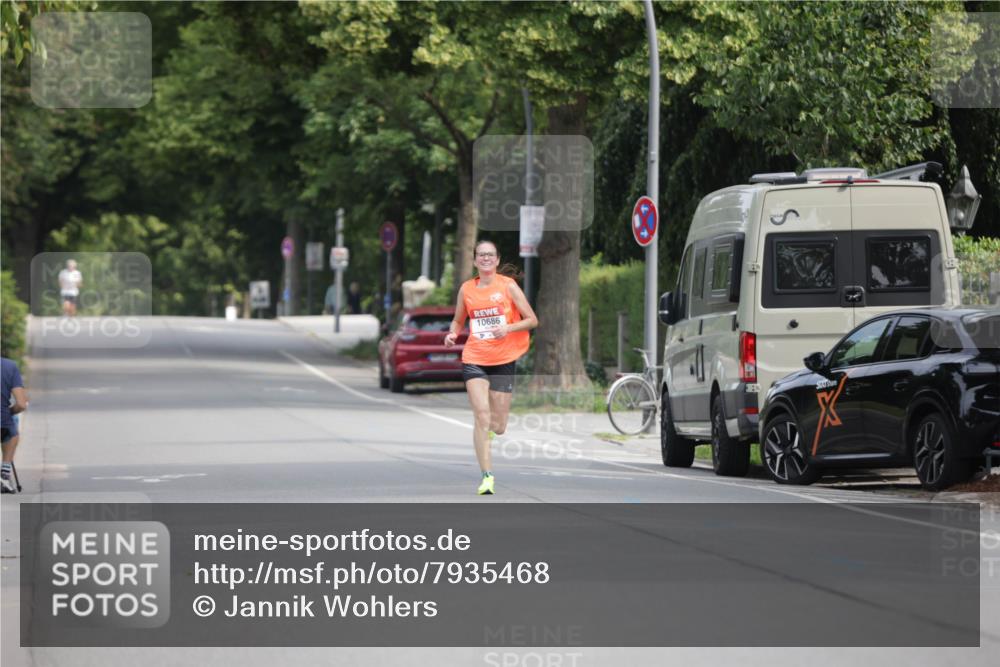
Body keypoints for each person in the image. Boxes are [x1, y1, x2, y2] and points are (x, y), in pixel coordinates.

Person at [444, 240, 537, 495]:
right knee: (481, 416)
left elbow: (532, 320)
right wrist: (452, 334)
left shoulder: (508, 286)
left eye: (490, 255)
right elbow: (458, 320)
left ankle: (491, 432)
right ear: (475, 260)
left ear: (497, 260)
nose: (485, 258)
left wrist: (508, 328)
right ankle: (487, 476)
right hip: (474, 357)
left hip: (503, 359)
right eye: (481, 255)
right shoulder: (466, 289)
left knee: (498, 425)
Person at [1, 357, 28, 494]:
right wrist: (9, 412)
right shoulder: (9, 366)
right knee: (11, 432)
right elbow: (21, 404)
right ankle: (4, 474)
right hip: (2, 422)